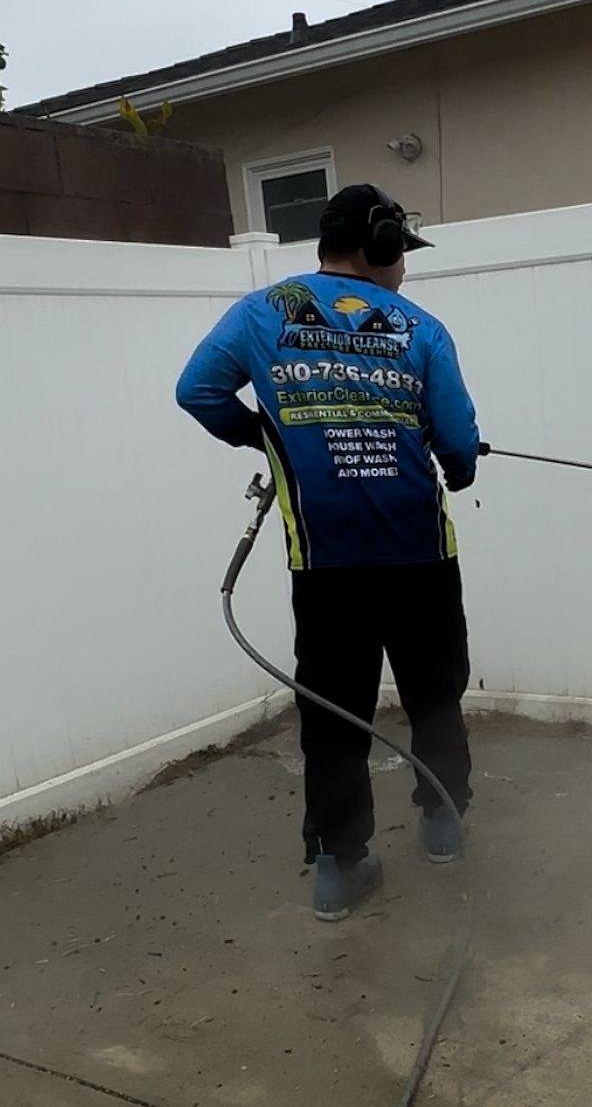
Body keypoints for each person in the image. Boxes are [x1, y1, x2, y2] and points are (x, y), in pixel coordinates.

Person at [176, 183, 480, 921]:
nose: (404, 268)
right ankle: (443, 825)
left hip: (326, 566)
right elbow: (460, 443)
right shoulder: (420, 328)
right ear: (377, 247)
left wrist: (264, 433)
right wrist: (458, 464)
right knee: (435, 691)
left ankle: (339, 869)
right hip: (418, 556)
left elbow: (198, 390)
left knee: (334, 712)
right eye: (400, 252)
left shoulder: (261, 314)